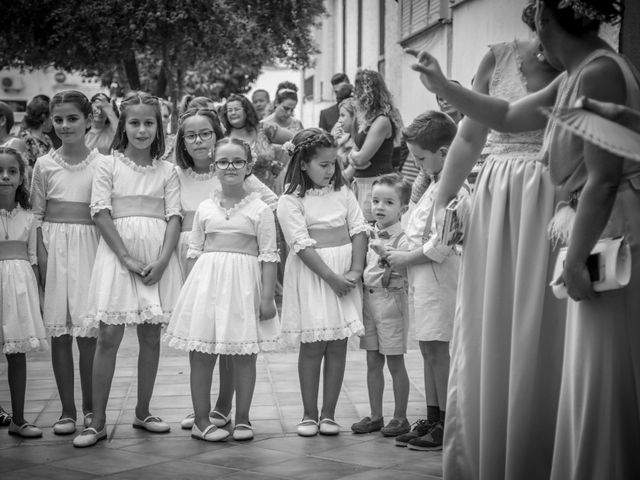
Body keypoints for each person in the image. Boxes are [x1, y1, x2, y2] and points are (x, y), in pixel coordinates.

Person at [409, 0, 639, 477]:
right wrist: (442, 85)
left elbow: (601, 180)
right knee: (586, 362)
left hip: (608, 236)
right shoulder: (581, 72)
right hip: (597, 230)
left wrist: (574, 262)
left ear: (549, 21)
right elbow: (509, 115)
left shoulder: (598, 73)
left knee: (598, 365)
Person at [73, 92, 183, 448]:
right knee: (109, 337)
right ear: (123, 124)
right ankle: (98, 420)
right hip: (119, 258)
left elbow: (174, 217)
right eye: (134, 122)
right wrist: (126, 257)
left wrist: (164, 260)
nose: (141, 129)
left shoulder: (168, 170)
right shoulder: (108, 164)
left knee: (150, 338)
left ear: (159, 126)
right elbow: (100, 212)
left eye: (149, 122)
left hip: (156, 259)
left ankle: (143, 410)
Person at [165, 137, 280, 442]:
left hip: (243, 288)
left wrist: (267, 298)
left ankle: (241, 418)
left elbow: (269, 256)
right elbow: (194, 251)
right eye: (223, 162)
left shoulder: (260, 209)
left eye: (237, 161)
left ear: (248, 167)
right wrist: (191, 294)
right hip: (206, 286)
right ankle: (202, 420)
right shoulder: (204, 207)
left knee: (244, 354)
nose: (230, 167)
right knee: (202, 352)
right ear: (214, 166)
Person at [385, 112, 469, 452]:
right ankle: (433, 416)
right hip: (423, 282)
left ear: (445, 152)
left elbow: (441, 242)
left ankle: (448, 422)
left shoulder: (455, 190)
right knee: (427, 348)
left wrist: (404, 258)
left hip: (440, 282)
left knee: (438, 349)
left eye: (420, 157)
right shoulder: (435, 183)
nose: (416, 164)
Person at [277, 128, 368, 437]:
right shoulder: (291, 200)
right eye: (324, 165)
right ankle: (309, 413)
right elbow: (300, 244)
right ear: (303, 164)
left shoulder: (343, 192)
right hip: (316, 276)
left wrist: (355, 270)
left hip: (345, 273)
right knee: (314, 344)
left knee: (338, 344)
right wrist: (331, 278)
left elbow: (358, 228)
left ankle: (329, 414)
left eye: (333, 164)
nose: (331, 170)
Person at [30, 91, 106, 436]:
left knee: (88, 334)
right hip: (54, 250)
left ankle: (92, 408)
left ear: (88, 120)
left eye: (72, 118)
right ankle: (67, 410)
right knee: (60, 334)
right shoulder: (44, 165)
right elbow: (37, 217)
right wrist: (42, 263)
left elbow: (106, 215)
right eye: (58, 119)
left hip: (90, 249)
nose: (64, 125)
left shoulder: (103, 163)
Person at [350, 173, 411, 438]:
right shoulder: (367, 231)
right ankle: (376, 415)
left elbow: (406, 270)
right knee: (372, 360)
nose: (379, 207)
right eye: (375, 201)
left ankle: (400, 417)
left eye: (388, 202)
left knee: (395, 362)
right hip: (368, 301)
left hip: (391, 300)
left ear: (403, 209)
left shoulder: (404, 239)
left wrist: (384, 253)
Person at [0, 146, 48, 438]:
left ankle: (19, 418)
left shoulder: (29, 217)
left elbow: (33, 259)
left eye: (12, 171)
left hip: (18, 288)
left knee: (16, 353)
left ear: (21, 178)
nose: (4, 176)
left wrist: (38, 298)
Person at [348, 70, 402, 222]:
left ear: (366, 93)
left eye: (356, 90)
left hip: (376, 184)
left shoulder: (382, 121)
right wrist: (354, 156)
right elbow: (357, 154)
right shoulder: (367, 119)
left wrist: (354, 156)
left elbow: (360, 158)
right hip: (362, 183)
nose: (354, 95)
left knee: (373, 231)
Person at [220, 94, 292, 193]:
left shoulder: (264, 129)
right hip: (238, 196)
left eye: (236, 109)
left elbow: (296, 139)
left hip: (269, 193)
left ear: (246, 111)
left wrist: (282, 168)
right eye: (229, 110)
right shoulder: (223, 136)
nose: (233, 113)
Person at [20, 96, 54, 168]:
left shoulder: (47, 139)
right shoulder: (26, 137)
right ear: (44, 117)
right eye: (52, 116)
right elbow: (24, 167)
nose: (53, 121)